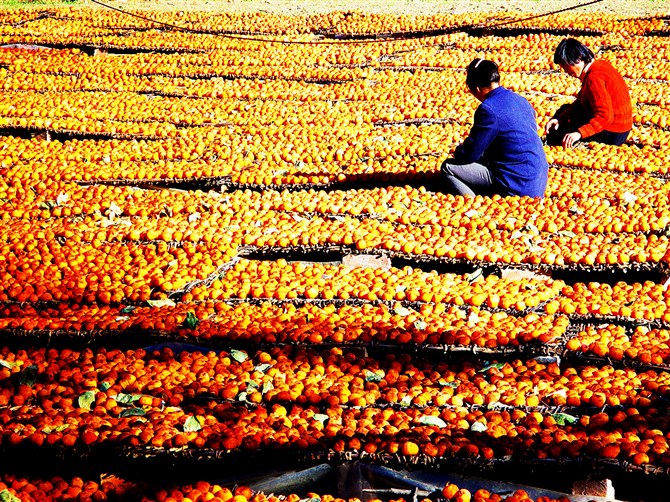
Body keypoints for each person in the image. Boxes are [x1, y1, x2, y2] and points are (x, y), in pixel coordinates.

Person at [440, 58, 548, 198]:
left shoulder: (488, 109)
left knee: (448, 167)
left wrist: (458, 151)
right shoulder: (521, 100)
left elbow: (470, 154)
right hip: (538, 178)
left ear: (477, 89)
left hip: (516, 183)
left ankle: (473, 202)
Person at [545, 38, 632, 148]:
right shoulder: (599, 65)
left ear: (579, 58)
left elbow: (604, 116)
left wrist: (579, 133)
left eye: (567, 66)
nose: (567, 72)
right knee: (565, 111)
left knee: (562, 131)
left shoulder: (593, 78)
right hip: (621, 127)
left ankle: (554, 145)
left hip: (613, 132)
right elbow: (582, 101)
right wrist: (560, 118)